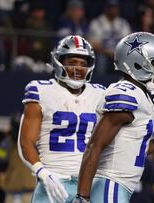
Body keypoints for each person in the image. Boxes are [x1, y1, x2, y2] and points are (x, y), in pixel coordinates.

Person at [74, 32, 154, 203]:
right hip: (110, 185)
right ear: (137, 64)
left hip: (119, 187)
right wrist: (82, 197)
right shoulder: (126, 94)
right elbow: (94, 146)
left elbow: (127, 149)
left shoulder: (140, 94)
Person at [18, 35, 106, 203]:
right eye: (72, 62)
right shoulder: (40, 90)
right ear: (58, 62)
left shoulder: (100, 93)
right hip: (54, 179)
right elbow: (25, 142)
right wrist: (42, 173)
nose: (78, 68)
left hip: (89, 184)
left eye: (83, 63)